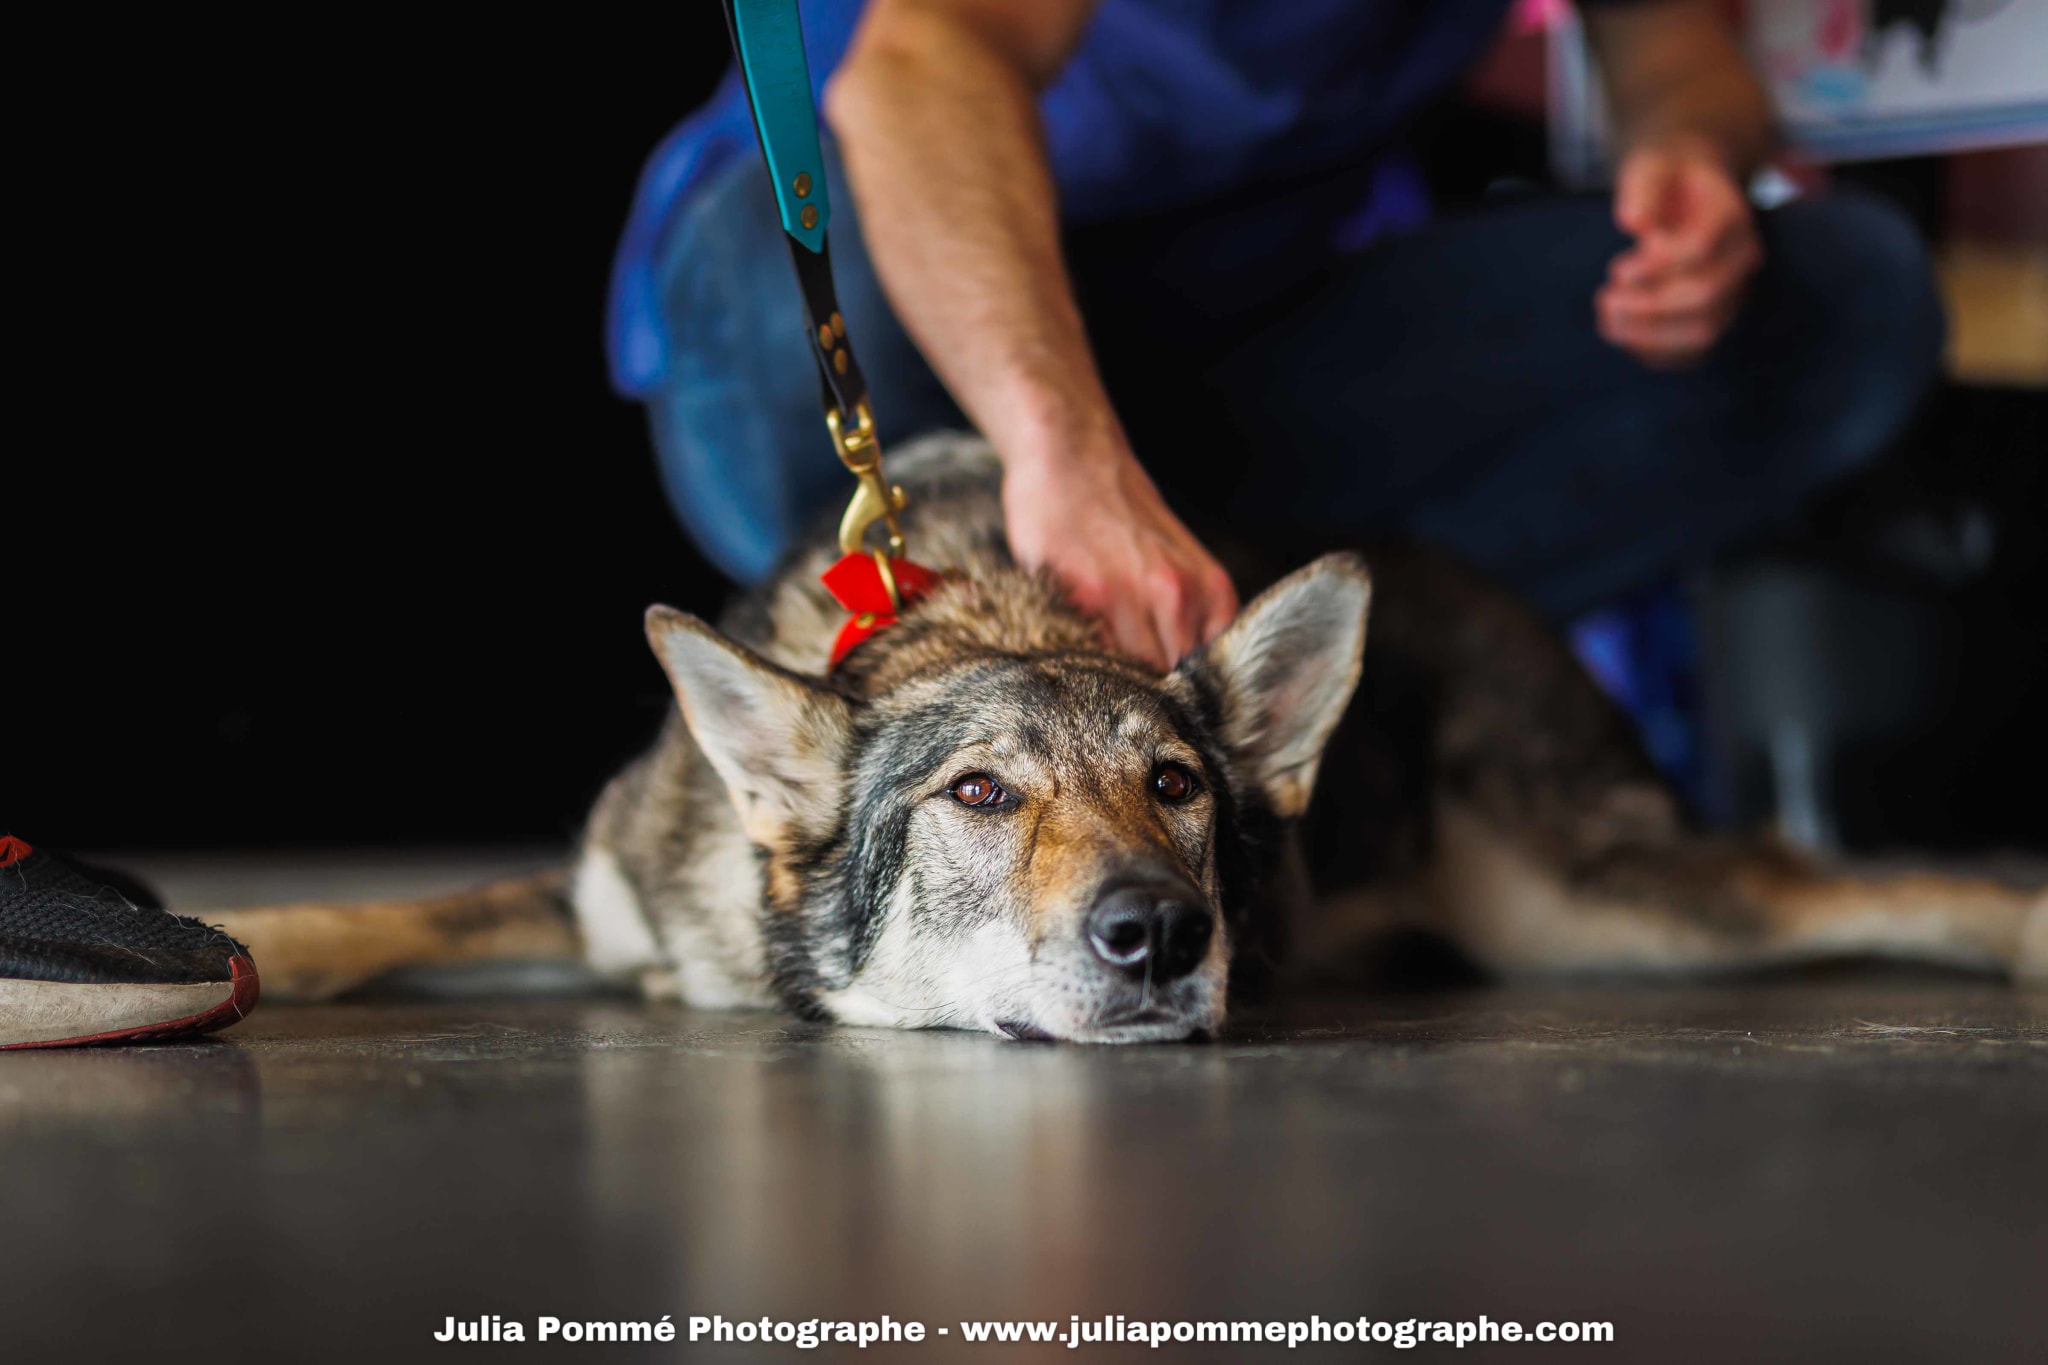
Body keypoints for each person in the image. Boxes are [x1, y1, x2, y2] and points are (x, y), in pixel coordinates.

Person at [608, 0, 1943, 670]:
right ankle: (926, 677)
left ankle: (1299, 690)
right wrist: (1060, 445)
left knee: (1844, 296)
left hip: (1240, 342)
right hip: (888, 295)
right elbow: (923, 64)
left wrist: (1689, 156)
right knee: (818, 243)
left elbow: (1675, 43)